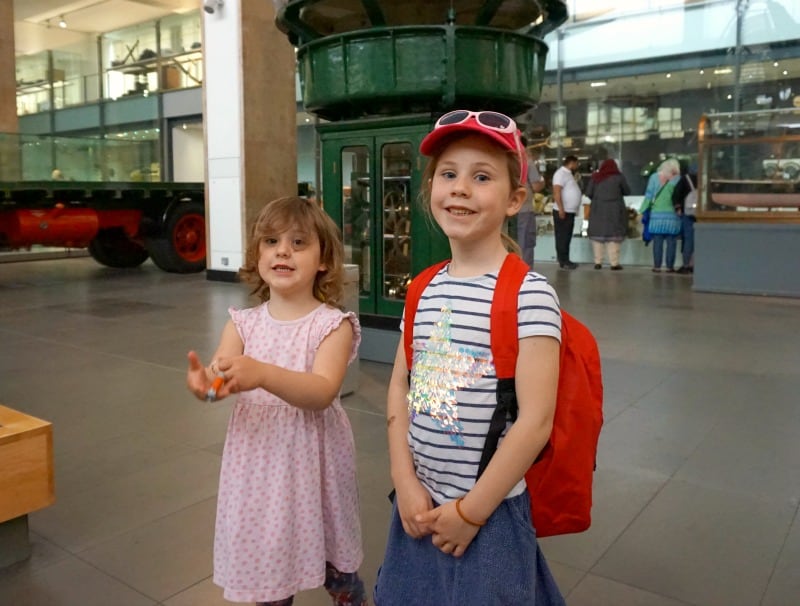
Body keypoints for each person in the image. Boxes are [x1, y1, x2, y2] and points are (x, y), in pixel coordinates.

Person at [373, 109, 565, 606]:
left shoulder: (529, 294)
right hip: (416, 504)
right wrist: (403, 480)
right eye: (448, 174)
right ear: (430, 188)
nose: (460, 188)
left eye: (482, 177)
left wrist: (471, 512)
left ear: (514, 200)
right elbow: (400, 386)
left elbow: (536, 421)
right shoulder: (421, 288)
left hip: (490, 511)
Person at [186, 196, 367, 606]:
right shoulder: (243, 324)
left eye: (299, 242)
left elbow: (321, 392)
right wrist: (207, 386)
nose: (283, 250)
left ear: (323, 260)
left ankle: (351, 597)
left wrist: (263, 374)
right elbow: (221, 375)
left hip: (313, 461)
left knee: (335, 566)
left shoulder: (331, 325)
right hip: (258, 466)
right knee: (267, 563)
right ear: (258, 254)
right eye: (271, 241)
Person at [585, 158, 631, 270]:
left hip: (598, 209)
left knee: (598, 237)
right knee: (613, 237)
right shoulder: (619, 177)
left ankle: (598, 262)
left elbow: (588, 192)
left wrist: (598, 198)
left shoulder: (595, 177)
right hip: (615, 210)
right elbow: (627, 191)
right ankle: (614, 263)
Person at [639, 158, 682, 272]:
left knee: (657, 242)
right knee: (671, 242)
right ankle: (669, 266)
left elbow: (649, 195)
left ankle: (657, 266)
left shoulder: (654, 177)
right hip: (672, 216)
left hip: (656, 215)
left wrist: (643, 209)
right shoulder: (677, 179)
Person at [516, 143, 546, 266]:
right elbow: (536, 186)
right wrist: (543, 181)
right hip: (524, 209)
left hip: (507, 209)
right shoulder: (528, 162)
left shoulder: (507, 161)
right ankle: (524, 272)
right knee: (526, 243)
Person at [551, 154, 582, 269]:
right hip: (563, 211)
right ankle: (563, 260)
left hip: (569, 211)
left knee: (567, 236)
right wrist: (561, 208)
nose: (577, 166)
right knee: (562, 236)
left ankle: (565, 259)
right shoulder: (560, 174)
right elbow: (557, 191)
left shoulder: (569, 175)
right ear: (572, 163)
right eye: (576, 163)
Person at [672, 163, 698, 274]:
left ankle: (686, 264)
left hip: (688, 213)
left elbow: (676, 194)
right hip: (703, 214)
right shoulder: (706, 178)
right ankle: (696, 264)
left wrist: (678, 208)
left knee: (688, 239)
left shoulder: (685, 179)